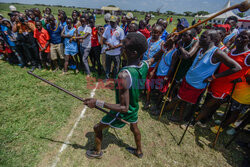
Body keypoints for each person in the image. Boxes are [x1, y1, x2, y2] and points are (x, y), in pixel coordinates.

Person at [84, 32, 163, 159]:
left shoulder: (124, 75)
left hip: (122, 112)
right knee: (134, 128)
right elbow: (155, 57)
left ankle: (97, 152)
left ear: (133, 53)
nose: (121, 48)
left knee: (97, 128)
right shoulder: (143, 65)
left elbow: (123, 108)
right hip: (134, 107)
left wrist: (97, 102)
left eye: (124, 47)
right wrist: (165, 47)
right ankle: (139, 151)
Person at [166, 30, 241, 122]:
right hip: (188, 79)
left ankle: (162, 110)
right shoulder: (201, 48)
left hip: (196, 84)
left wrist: (214, 77)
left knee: (177, 99)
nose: (200, 39)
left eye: (204, 37)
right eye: (201, 36)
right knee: (183, 102)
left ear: (213, 40)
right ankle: (180, 117)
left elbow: (237, 67)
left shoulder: (217, 53)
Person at [194, 30, 250, 130]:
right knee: (208, 101)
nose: (239, 39)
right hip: (215, 80)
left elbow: (244, 71)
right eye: (239, 36)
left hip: (225, 86)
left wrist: (241, 78)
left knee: (209, 105)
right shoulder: (233, 49)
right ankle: (203, 119)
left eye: (244, 37)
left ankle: (194, 121)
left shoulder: (248, 56)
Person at [142, 24, 164, 108]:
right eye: (153, 32)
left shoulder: (162, 44)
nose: (154, 34)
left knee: (149, 85)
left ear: (160, 34)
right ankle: (143, 95)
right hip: (144, 64)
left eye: (156, 32)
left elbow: (160, 59)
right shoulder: (148, 40)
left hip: (152, 67)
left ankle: (148, 101)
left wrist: (153, 70)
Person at [103, 15, 125, 80]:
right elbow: (103, 40)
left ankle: (115, 78)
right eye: (111, 22)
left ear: (117, 22)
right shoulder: (107, 28)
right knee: (108, 66)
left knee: (116, 67)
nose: (112, 24)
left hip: (116, 53)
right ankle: (107, 77)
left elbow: (122, 42)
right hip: (108, 52)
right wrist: (108, 44)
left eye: (113, 22)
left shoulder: (120, 30)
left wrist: (114, 47)